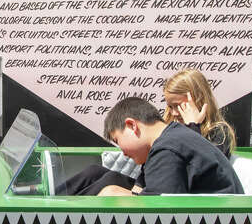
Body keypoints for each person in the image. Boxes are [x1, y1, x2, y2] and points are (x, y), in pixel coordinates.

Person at [99, 96, 242, 196]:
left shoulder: (167, 149)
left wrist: (112, 193)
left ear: (132, 125)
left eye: (117, 141)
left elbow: (159, 212)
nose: (123, 152)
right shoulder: (173, 138)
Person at [161, 68, 237, 156]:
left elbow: (205, 164)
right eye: (170, 106)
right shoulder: (169, 127)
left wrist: (192, 126)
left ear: (198, 100)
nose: (174, 113)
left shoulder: (218, 133)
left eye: (178, 106)